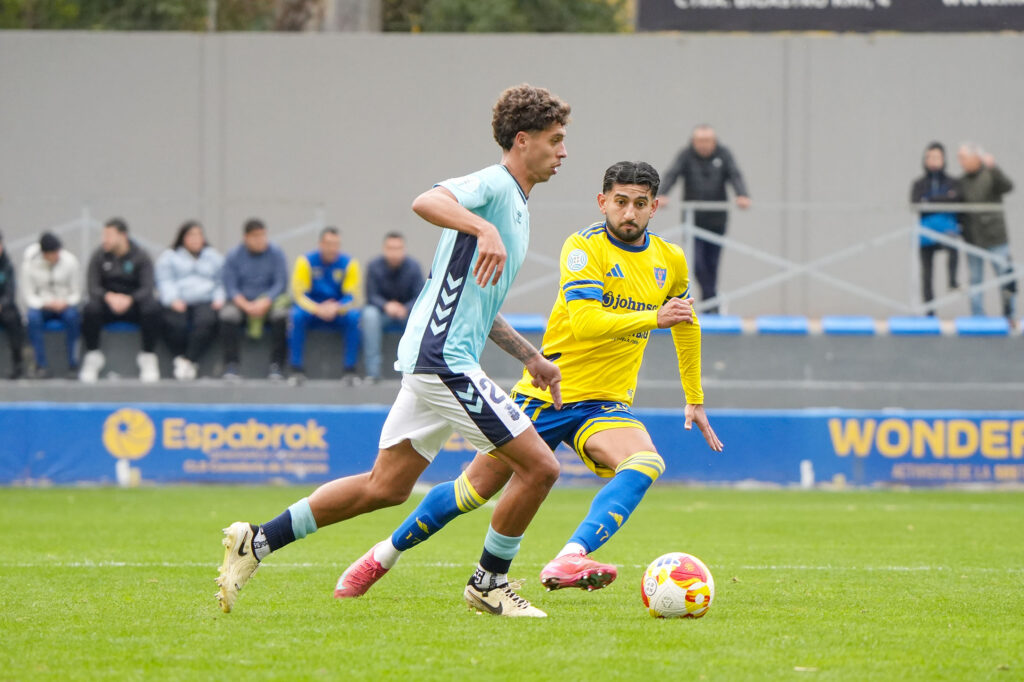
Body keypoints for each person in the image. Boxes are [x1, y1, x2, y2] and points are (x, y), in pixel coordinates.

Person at [216, 83, 571, 618]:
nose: (563, 152)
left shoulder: (516, 206)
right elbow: (426, 199)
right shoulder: (495, 185)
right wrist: (480, 226)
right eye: (555, 140)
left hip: (438, 356)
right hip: (441, 358)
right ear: (522, 141)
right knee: (540, 468)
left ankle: (256, 542)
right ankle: (488, 584)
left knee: (386, 486)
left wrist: (530, 356)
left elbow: (480, 303)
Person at [334, 161, 723, 601]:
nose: (629, 213)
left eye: (639, 204)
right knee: (471, 491)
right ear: (602, 203)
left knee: (647, 462)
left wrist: (694, 397)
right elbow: (586, 321)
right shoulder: (583, 247)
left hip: (605, 404)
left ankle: (571, 556)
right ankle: (381, 556)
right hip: (546, 396)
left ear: (655, 207)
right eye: (620, 202)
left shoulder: (669, 259)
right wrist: (655, 317)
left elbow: (686, 323)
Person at [658, 124, 750, 314]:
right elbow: (672, 174)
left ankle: (711, 304)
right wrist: (662, 194)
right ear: (693, 142)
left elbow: (735, 174)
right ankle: (712, 302)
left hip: (717, 221)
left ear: (714, 142)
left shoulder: (724, 154)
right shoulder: (686, 155)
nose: (704, 145)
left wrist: (742, 194)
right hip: (692, 222)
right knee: (697, 264)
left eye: (707, 141)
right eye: (700, 141)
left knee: (713, 264)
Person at [80, 218, 161, 383]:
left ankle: (148, 356)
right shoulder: (99, 256)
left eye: (109, 235)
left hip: (133, 307)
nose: (105, 240)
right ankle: (93, 356)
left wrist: (130, 299)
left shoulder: (141, 256)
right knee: (90, 308)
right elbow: (92, 286)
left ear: (123, 236)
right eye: (104, 235)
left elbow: (147, 287)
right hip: (107, 306)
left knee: (152, 307)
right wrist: (109, 297)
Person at [288, 226, 362, 384]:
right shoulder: (305, 262)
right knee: (296, 315)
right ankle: (296, 369)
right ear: (320, 244)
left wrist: (336, 307)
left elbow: (352, 296)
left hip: (337, 311)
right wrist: (318, 308)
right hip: (313, 311)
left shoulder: (349, 263)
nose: (332, 248)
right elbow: (299, 295)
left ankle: (350, 370)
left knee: (354, 316)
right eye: (328, 244)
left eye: (336, 244)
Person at [219, 218, 290, 380]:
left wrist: (265, 301)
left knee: (282, 316)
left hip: (268, 303)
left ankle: (276, 366)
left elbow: (281, 283)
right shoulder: (233, 256)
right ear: (246, 238)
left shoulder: (276, 253)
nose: (260, 240)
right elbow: (230, 286)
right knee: (228, 315)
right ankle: (231, 365)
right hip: (242, 303)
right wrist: (246, 305)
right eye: (256, 236)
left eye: (263, 235)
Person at [155, 221, 225, 380]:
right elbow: (164, 281)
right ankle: (180, 357)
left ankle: (189, 360)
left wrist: (219, 298)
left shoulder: (213, 256)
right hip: (179, 300)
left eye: (199, 235)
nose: (195, 239)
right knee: (173, 323)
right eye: (191, 235)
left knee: (206, 322)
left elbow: (221, 280)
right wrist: (172, 299)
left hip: (206, 299)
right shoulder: (169, 257)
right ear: (182, 238)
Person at [956, 143, 1016, 321]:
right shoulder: (962, 182)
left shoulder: (991, 174)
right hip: (973, 238)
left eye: (963, 158)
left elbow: (1008, 186)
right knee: (975, 279)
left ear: (975, 157)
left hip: (996, 237)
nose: (961, 162)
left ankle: (1010, 315)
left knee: (1005, 276)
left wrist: (994, 168)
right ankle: (977, 317)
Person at [361, 231, 424, 383]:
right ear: (384, 249)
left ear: (404, 249)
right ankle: (373, 372)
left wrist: (406, 308)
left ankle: (412, 372)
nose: (394, 252)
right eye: (391, 248)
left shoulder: (414, 267)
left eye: (398, 248)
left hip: (406, 314)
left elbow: (420, 297)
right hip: (382, 314)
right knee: (369, 314)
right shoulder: (374, 266)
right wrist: (387, 306)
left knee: (421, 316)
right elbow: (371, 296)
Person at [910, 142, 961, 315]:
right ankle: (929, 312)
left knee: (953, 250)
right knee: (927, 274)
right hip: (926, 233)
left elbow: (956, 200)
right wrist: (944, 199)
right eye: (930, 157)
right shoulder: (919, 183)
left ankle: (953, 281)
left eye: (937, 157)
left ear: (944, 159)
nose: (933, 160)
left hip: (947, 230)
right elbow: (916, 203)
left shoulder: (952, 181)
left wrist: (930, 201)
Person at [22, 232, 81, 379]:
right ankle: (40, 365)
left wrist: (65, 302)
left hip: (64, 305)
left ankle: (73, 363)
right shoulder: (29, 264)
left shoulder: (70, 262)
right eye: (52, 254)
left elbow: (77, 293)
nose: (56, 256)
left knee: (73, 317)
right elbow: (28, 295)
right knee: (32, 317)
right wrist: (44, 303)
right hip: (43, 306)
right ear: (44, 254)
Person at [0, 230, 26, 379]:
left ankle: (18, 363)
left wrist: (2, 304)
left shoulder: (7, 265)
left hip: (4, 307)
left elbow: (10, 291)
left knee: (13, 319)